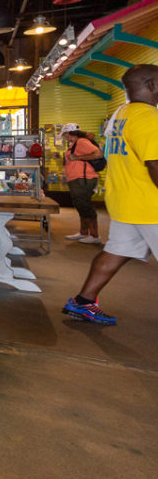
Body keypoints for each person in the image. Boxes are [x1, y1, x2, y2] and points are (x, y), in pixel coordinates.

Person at [64, 64, 158, 325]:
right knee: (114, 252)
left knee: (115, 252)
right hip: (150, 206)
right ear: (150, 85)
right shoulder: (147, 117)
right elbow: (155, 164)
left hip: (125, 203)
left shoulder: (120, 114)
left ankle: (83, 301)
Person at [60, 122, 103, 244]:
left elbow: (98, 154)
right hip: (76, 179)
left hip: (83, 179)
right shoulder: (75, 143)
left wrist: (78, 158)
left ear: (68, 133)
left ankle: (94, 236)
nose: (64, 137)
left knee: (85, 206)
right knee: (80, 205)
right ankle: (83, 232)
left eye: (64, 134)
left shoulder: (82, 142)